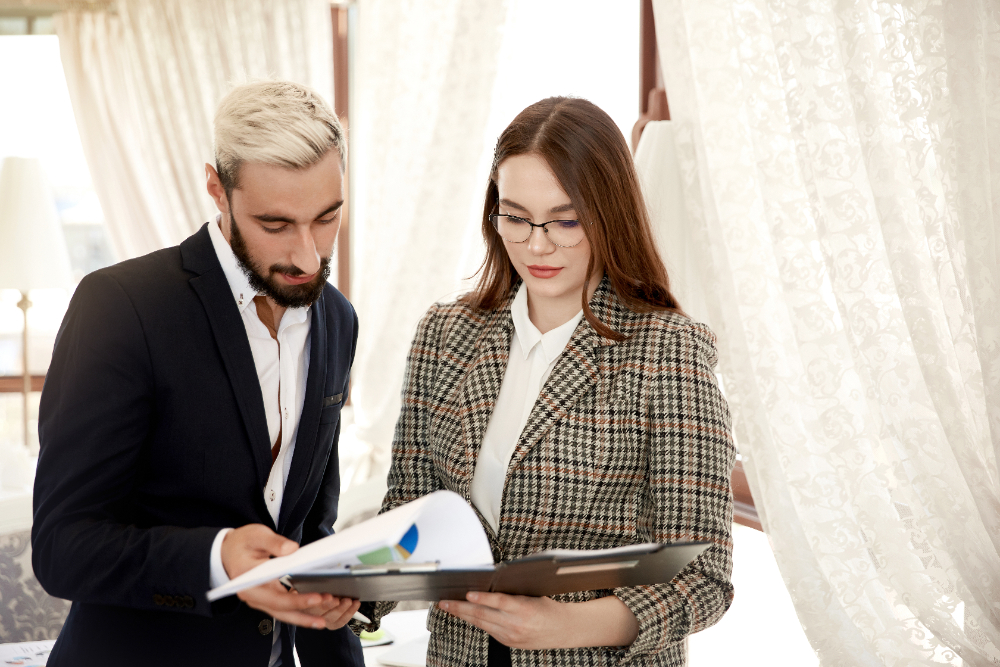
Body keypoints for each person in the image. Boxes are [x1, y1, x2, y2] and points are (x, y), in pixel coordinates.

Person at [355, 97, 736, 666]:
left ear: (609, 214)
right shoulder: (445, 334)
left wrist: (566, 624)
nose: (536, 244)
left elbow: (705, 576)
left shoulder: (668, 351)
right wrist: (356, 594)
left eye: (565, 220)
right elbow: (412, 509)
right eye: (515, 216)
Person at [31, 81, 364, 667]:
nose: (309, 256)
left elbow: (310, 526)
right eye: (276, 224)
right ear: (218, 188)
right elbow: (64, 548)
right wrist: (217, 557)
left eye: (327, 218)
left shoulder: (337, 319)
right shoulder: (122, 306)